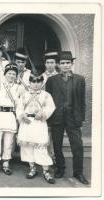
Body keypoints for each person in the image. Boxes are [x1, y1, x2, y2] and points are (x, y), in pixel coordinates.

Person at [45, 51, 89, 185]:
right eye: (62, 63)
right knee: (57, 145)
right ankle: (60, 169)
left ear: (72, 64)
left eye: (68, 63)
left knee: (77, 145)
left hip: (73, 118)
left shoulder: (80, 79)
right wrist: (48, 119)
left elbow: (82, 101)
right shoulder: (52, 80)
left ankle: (78, 172)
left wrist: (80, 118)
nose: (65, 65)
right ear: (58, 64)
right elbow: (48, 101)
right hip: (57, 117)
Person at [16, 73, 56, 184]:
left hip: (39, 123)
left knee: (41, 147)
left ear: (42, 82)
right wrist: (22, 116)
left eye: (38, 81)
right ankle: (32, 168)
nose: (36, 84)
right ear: (29, 82)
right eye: (33, 81)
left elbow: (51, 107)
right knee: (28, 146)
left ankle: (46, 171)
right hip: (27, 123)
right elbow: (19, 107)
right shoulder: (24, 95)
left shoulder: (46, 95)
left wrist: (43, 114)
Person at [0, 63, 23, 177]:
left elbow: (20, 104)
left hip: (10, 116)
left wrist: (19, 118)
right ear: (5, 74)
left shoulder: (19, 88)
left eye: (14, 74)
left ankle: (6, 163)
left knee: (8, 142)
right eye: (9, 73)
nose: (11, 76)